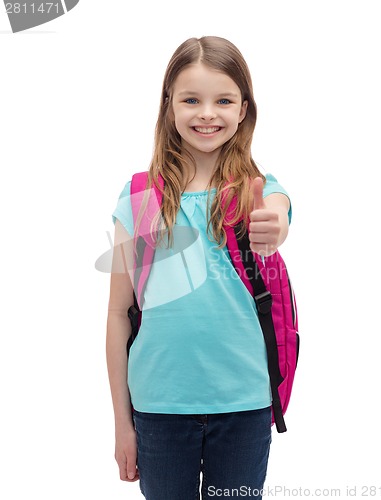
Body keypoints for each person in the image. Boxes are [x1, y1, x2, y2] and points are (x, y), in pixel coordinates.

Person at [106, 36, 292, 500]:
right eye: (191, 99)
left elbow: (278, 211)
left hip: (245, 404)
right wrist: (121, 424)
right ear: (169, 106)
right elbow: (116, 316)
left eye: (223, 100)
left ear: (244, 109)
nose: (207, 113)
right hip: (158, 406)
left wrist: (273, 225)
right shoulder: (138, 198)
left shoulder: (257, 189)